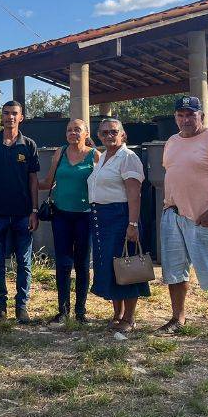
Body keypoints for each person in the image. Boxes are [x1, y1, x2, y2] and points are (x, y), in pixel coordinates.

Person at [158, 96, 208, 349]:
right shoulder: (172, 142)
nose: (185, 119)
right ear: (175, 117)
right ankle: (177, 318)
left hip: (203, 219)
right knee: (174, 271)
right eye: (180, 115)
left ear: (201, 116)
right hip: (173, 216)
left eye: (191, 115)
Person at [0, 101, 40, 324]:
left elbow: (33, 181)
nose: (10, 117)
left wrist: (34, 210)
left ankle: (21, 307)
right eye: (6, 113)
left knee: (24, 263)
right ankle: (0, 306)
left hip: (23, 214)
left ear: (21, 117)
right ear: (1, 116)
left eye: (14, 114)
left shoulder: (29, 145)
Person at [89, 118, 149, 333]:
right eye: (104, 132)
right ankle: (118, 314)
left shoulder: (128, 158)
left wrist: (132, 224)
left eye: (113, 132)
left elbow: (134, 194)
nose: (109, 136)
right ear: (99, 135)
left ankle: (130, 318)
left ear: (123, 135)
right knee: (112, 266)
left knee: (127, 264)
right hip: (101, 218)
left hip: (120, 216)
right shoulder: (104, 156)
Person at [37, 119, 97, 325]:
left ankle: (80, 312)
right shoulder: (60, 153)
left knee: (82, 263)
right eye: (69, 130)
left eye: (77, 130)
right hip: (61, 215)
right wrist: (21, 182)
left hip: (85, 215)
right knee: (62, 263)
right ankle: (62, 311)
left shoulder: (94, 155)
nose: (73, 133)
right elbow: (47, 182)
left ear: (86, 133)